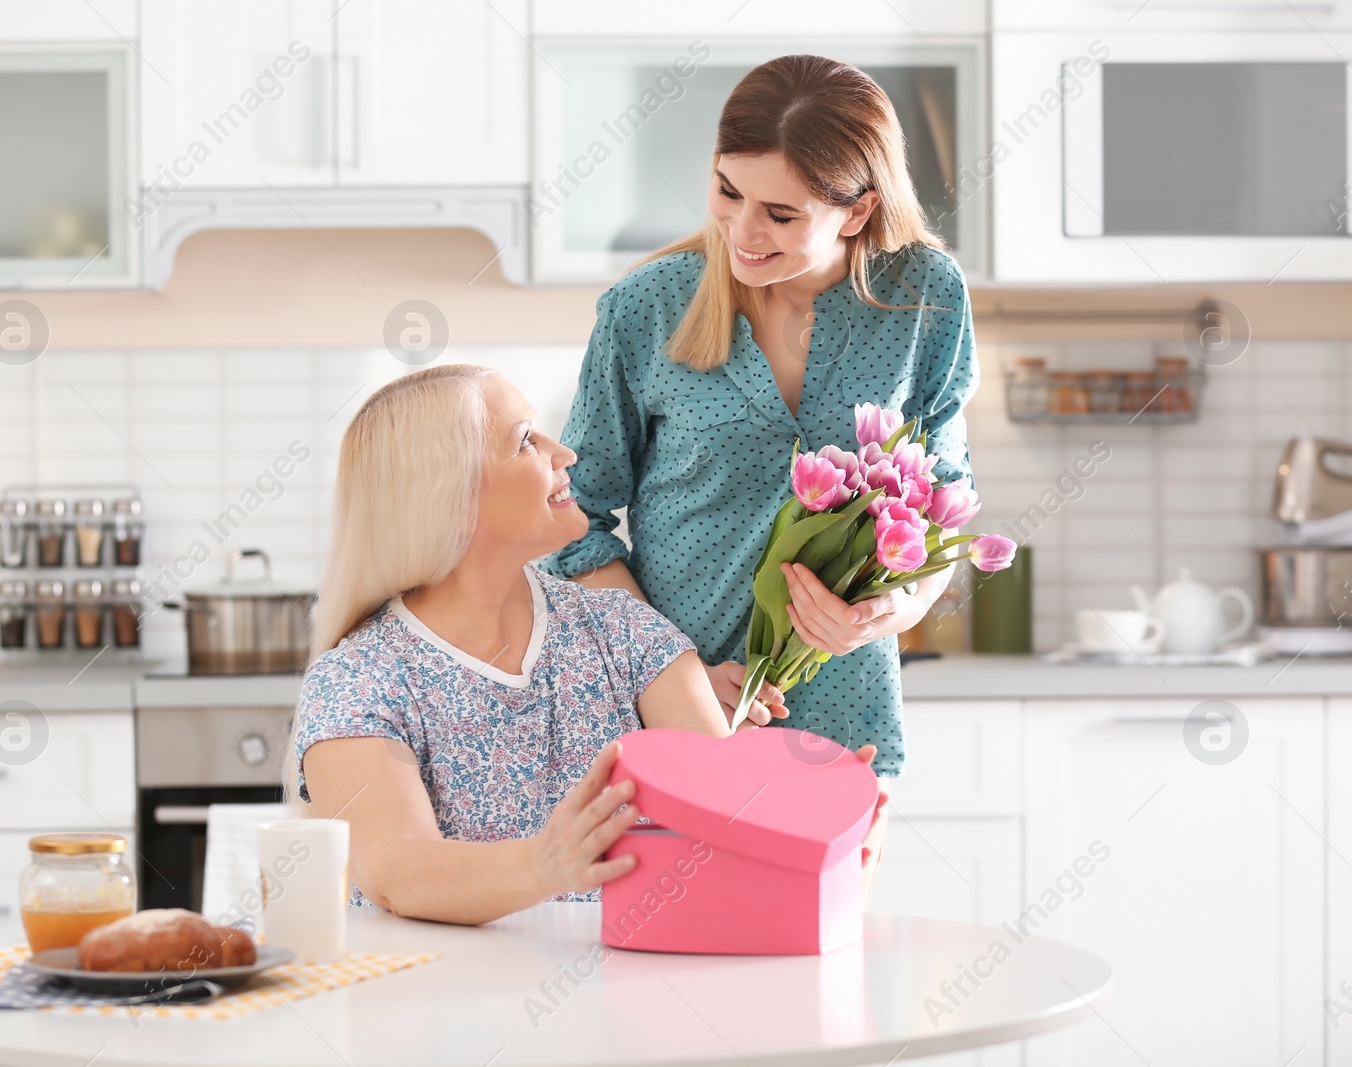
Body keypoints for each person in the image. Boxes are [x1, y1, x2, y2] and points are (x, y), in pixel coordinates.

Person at [540, 55, 980, 888]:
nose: (742, 231)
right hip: (672, 724)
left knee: (820, 990)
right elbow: (571, 519)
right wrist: (674, 678)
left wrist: (892, 607)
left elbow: (944, 512)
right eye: (726, 191)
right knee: (671, 989)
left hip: (845, 724)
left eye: (781, 212)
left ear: (859, 212)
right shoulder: (646, 309)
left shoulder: (925, 298)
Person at [288, 364, 881, 926]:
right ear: (453, 497)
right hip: (438, 1011)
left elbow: (720, 825)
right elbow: (396, 870)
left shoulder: (626, 632)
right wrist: (547, 863)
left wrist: (819, 841)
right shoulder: (357, 679)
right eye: (526, 442)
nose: (565, 453)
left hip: (627, 1000)